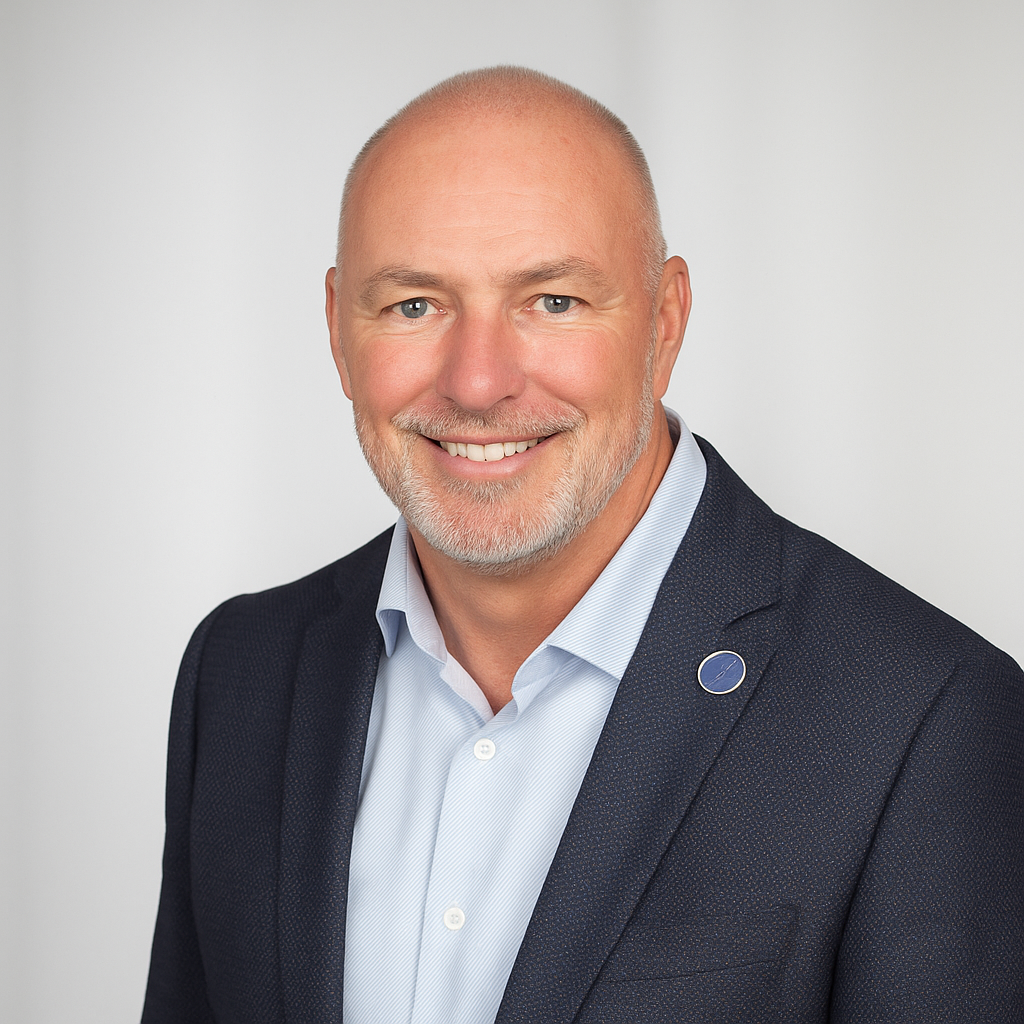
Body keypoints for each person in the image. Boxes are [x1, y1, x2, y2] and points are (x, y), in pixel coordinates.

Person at [142, 67, 1023, 1024]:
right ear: (335, 329)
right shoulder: (240, 672)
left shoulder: (923, 720)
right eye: (413, 305)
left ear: (665, 322)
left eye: (553, 300)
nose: (478, 382)